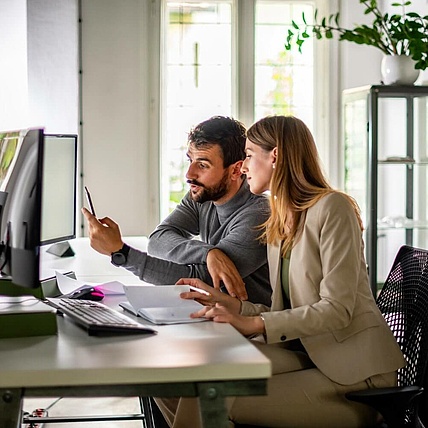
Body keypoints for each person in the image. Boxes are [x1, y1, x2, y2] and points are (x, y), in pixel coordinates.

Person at [155, 115, 406, 428]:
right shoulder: (279, 219)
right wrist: (235, 306)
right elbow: (286, 312)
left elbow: (338, 310)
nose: (242, 166)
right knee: (176, 379)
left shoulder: (333, 208)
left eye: (248, 156)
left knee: (212, 398)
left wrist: (253, 322)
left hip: (355, 375)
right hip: (304, 353)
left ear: (275, 156)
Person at [82, 116, 271, 305]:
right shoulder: (202, 196)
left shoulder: (258, 215)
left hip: (251, 329)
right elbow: (158, 240)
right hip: (217, 315)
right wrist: (209, 253)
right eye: (190, 160)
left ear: (236, 170)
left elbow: (199, 282)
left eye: (203, 165)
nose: (189, 174)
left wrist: (122, 253)